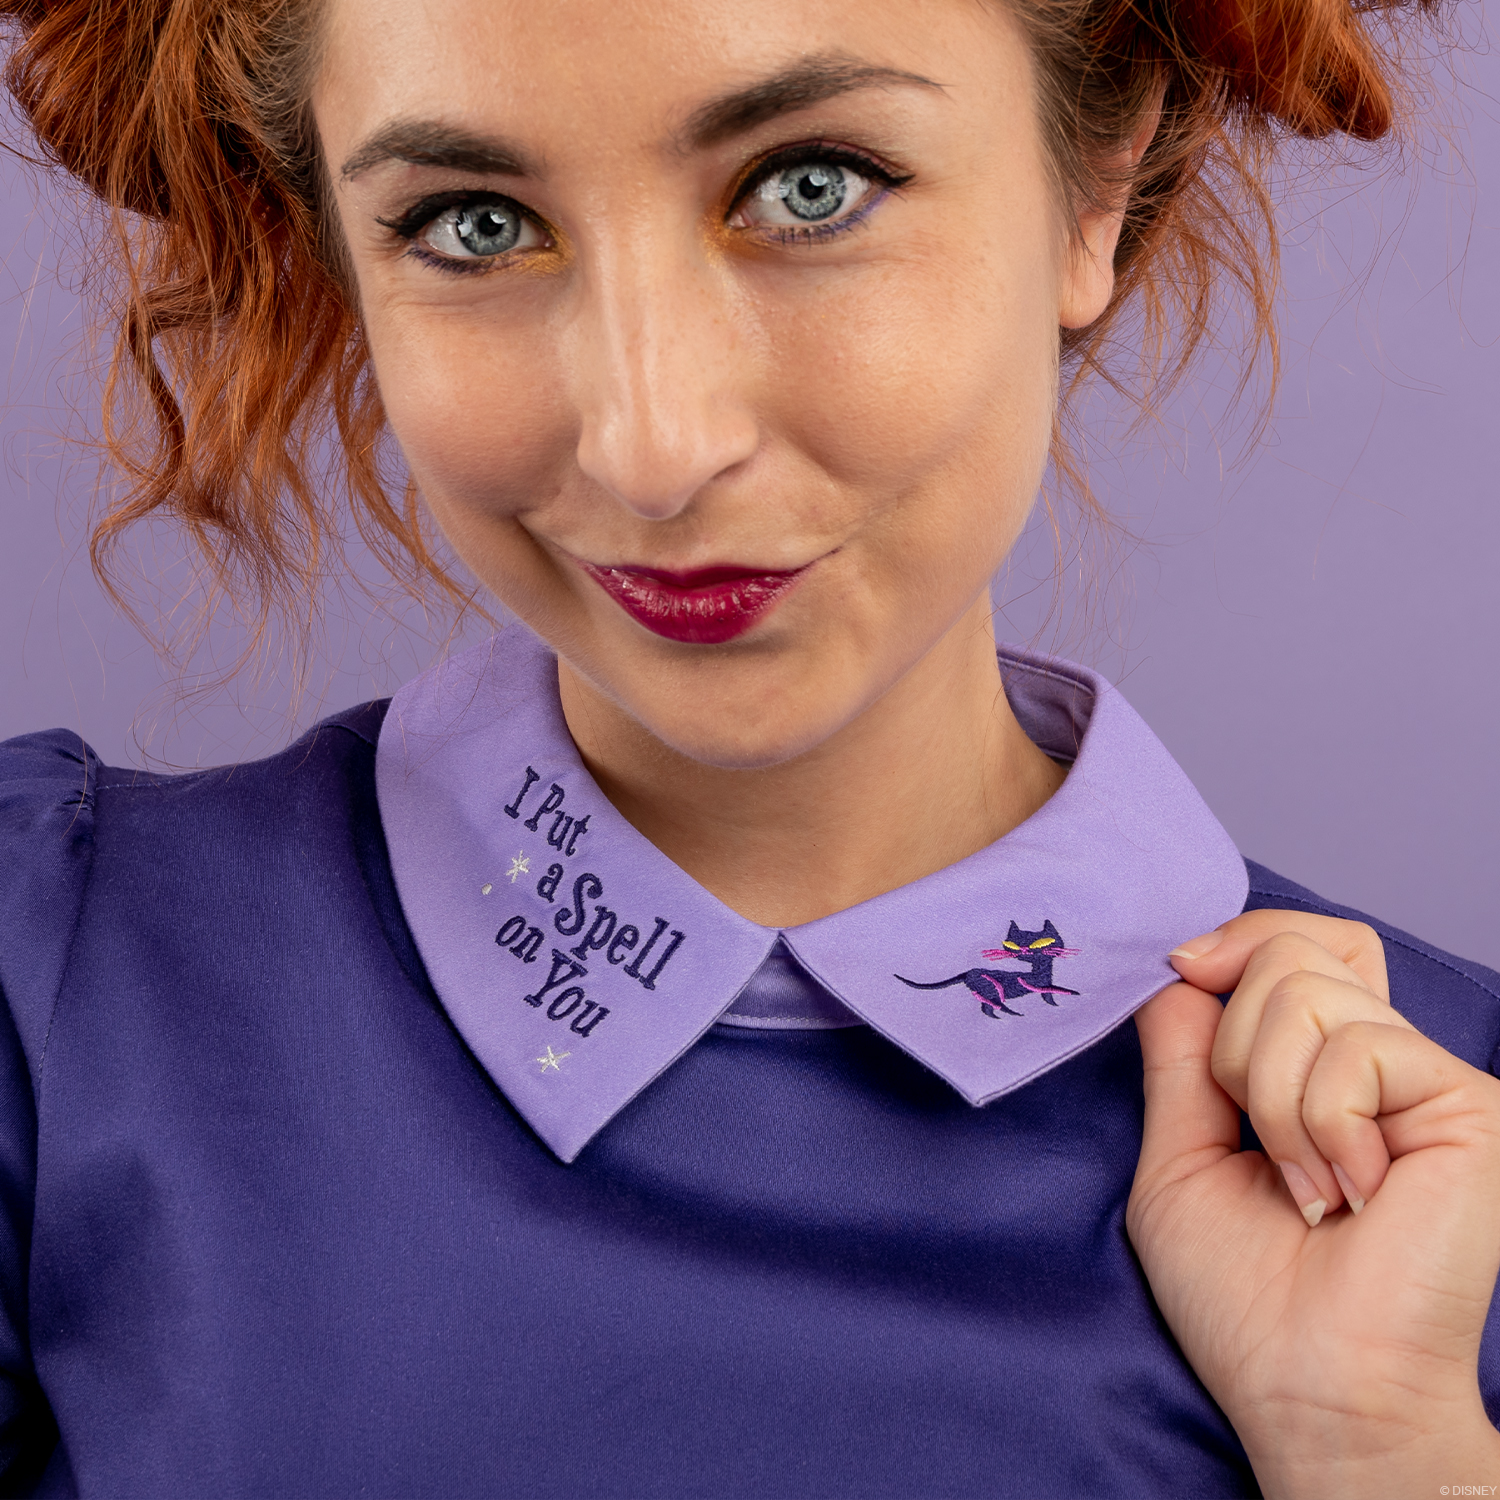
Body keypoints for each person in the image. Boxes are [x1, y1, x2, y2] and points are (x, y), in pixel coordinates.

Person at [0, 0, 1494, 1494]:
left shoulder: (1439, 1171)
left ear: (1097, 183)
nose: (653, 446)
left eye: (810, 187)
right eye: (471, 224)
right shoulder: (53, 990)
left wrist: (1380, 1451)